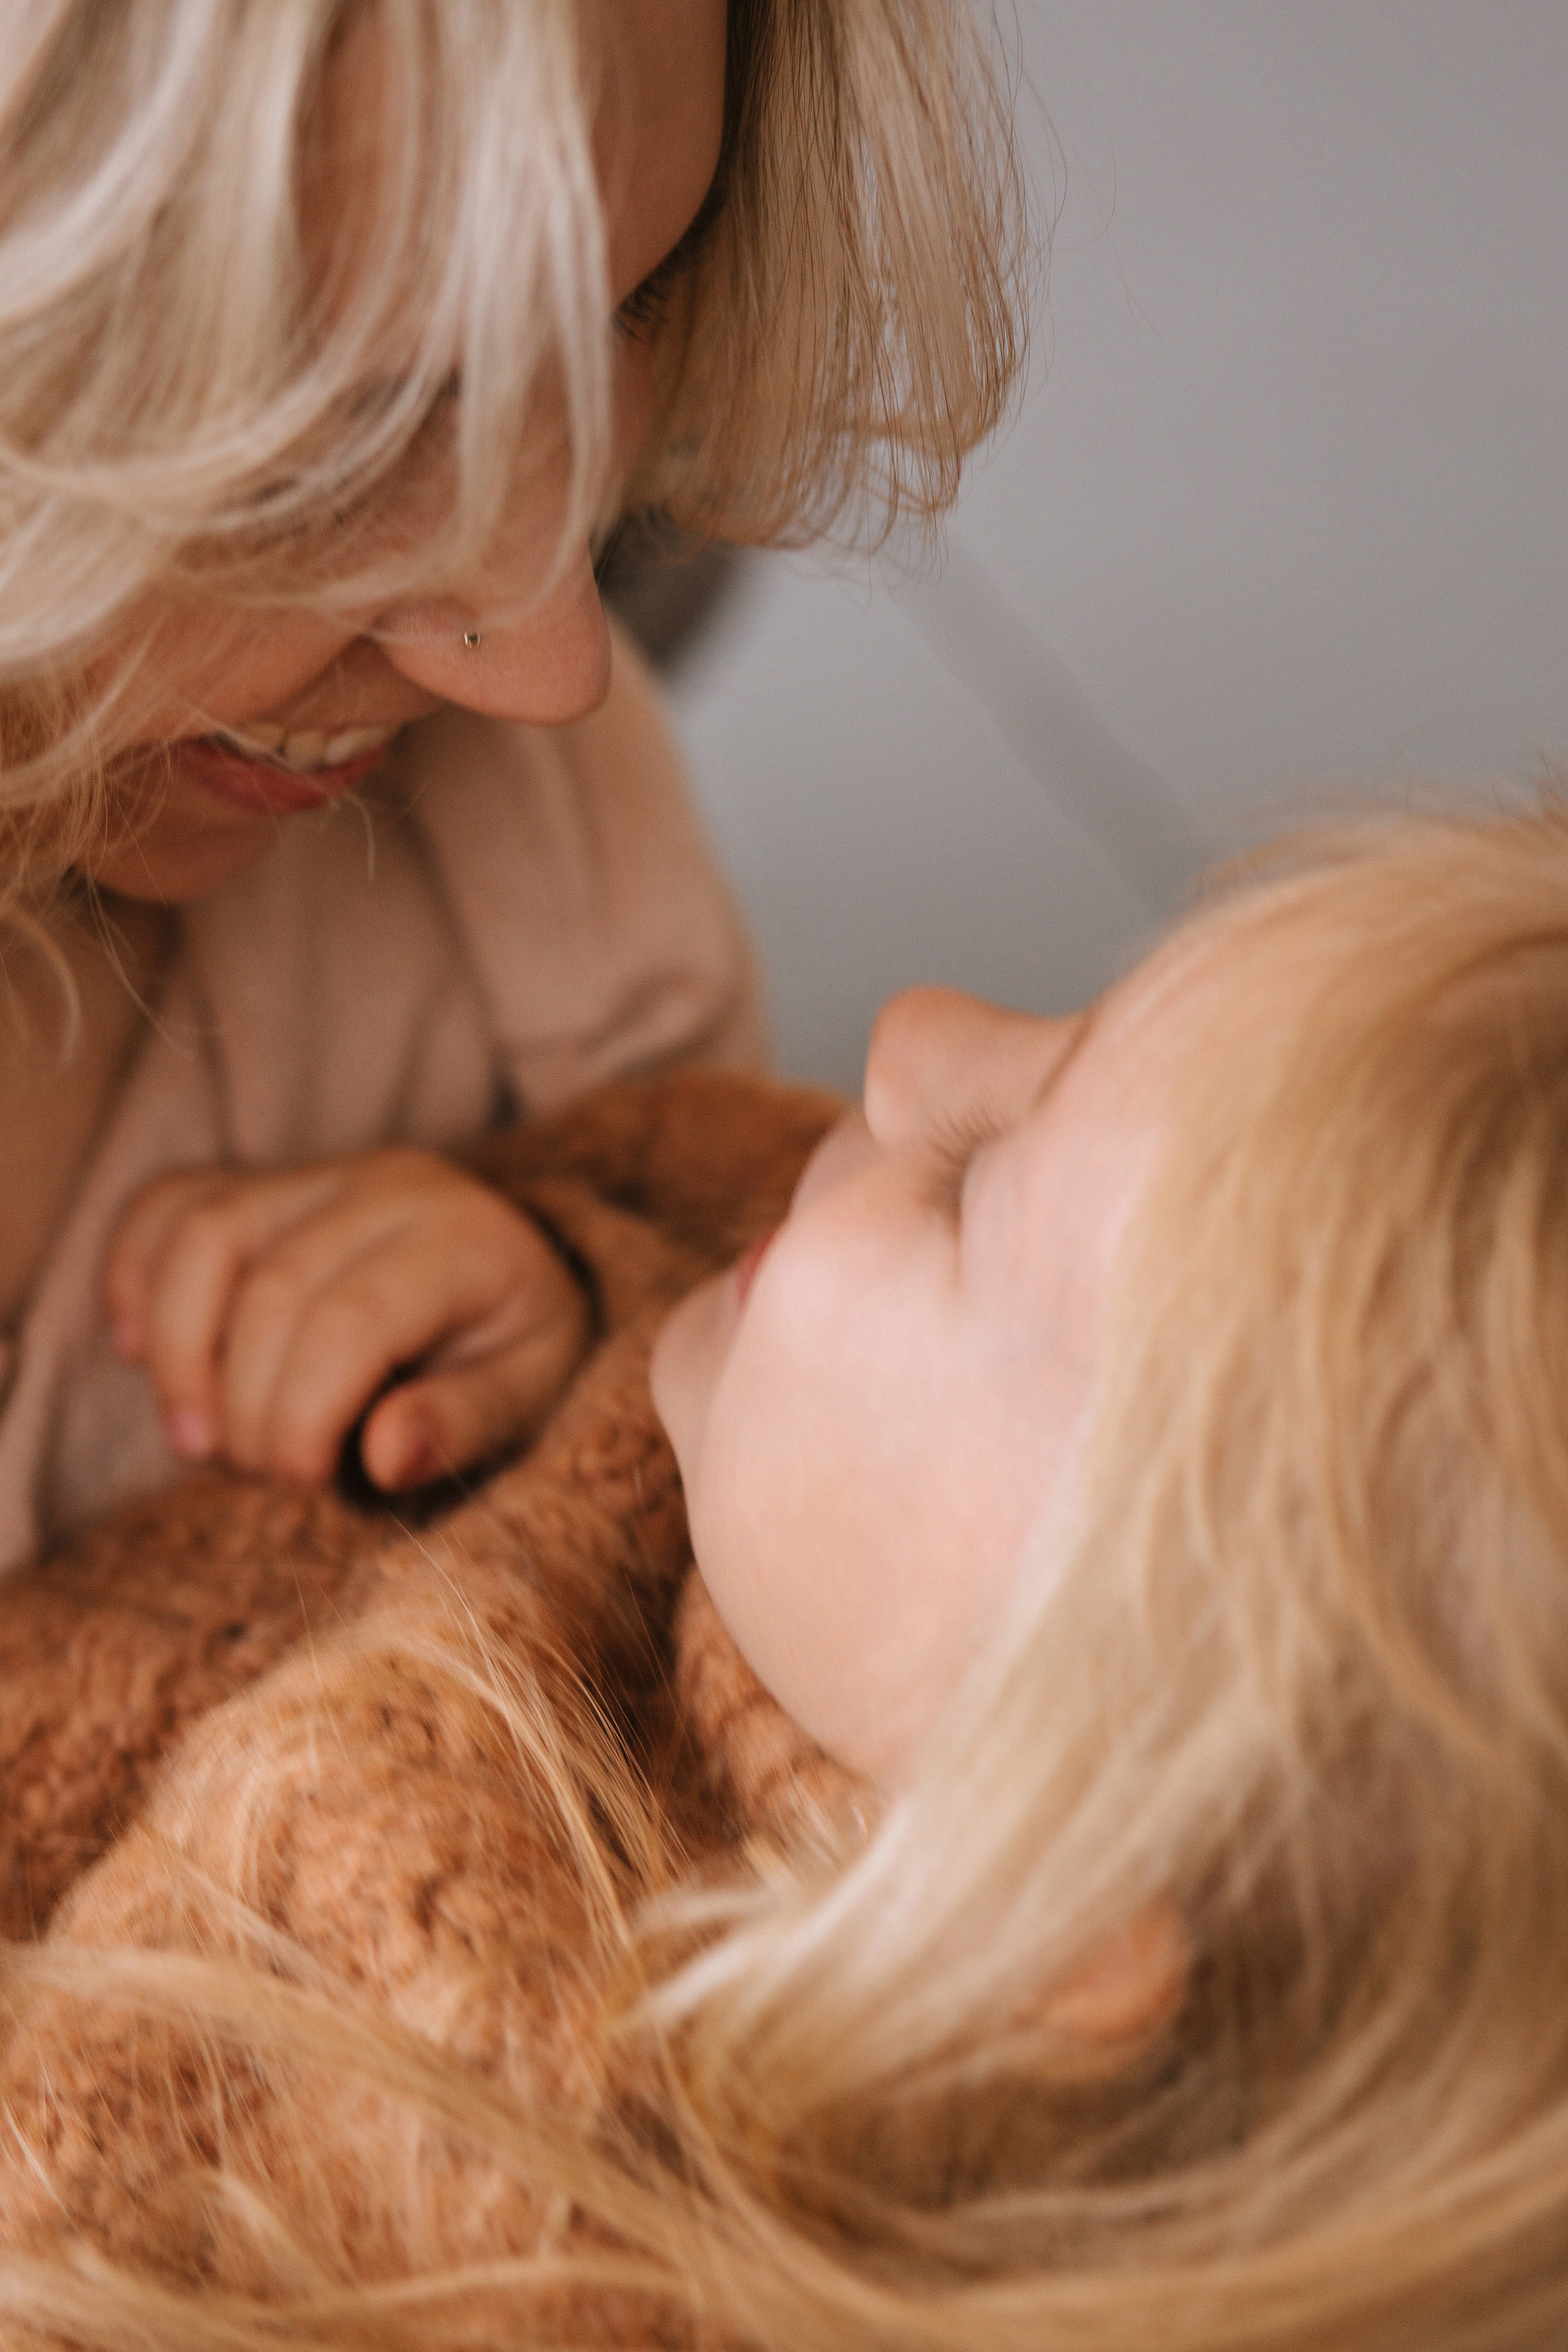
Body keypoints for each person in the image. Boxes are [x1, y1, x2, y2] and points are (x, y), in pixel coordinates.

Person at [4, 797, 1567, 2350]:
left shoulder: (522, 2213)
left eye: (975, 1188)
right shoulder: (813, 1503)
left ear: (1045, 1894)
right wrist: (553, 1305)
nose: (910, 1037)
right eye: (1065, 1020)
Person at [0, 0, 1024, 1570]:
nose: (550, 667)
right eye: (358, 421)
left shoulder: (546, 895)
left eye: (636, 299)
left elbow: (705, 1230)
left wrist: (584, 1325)